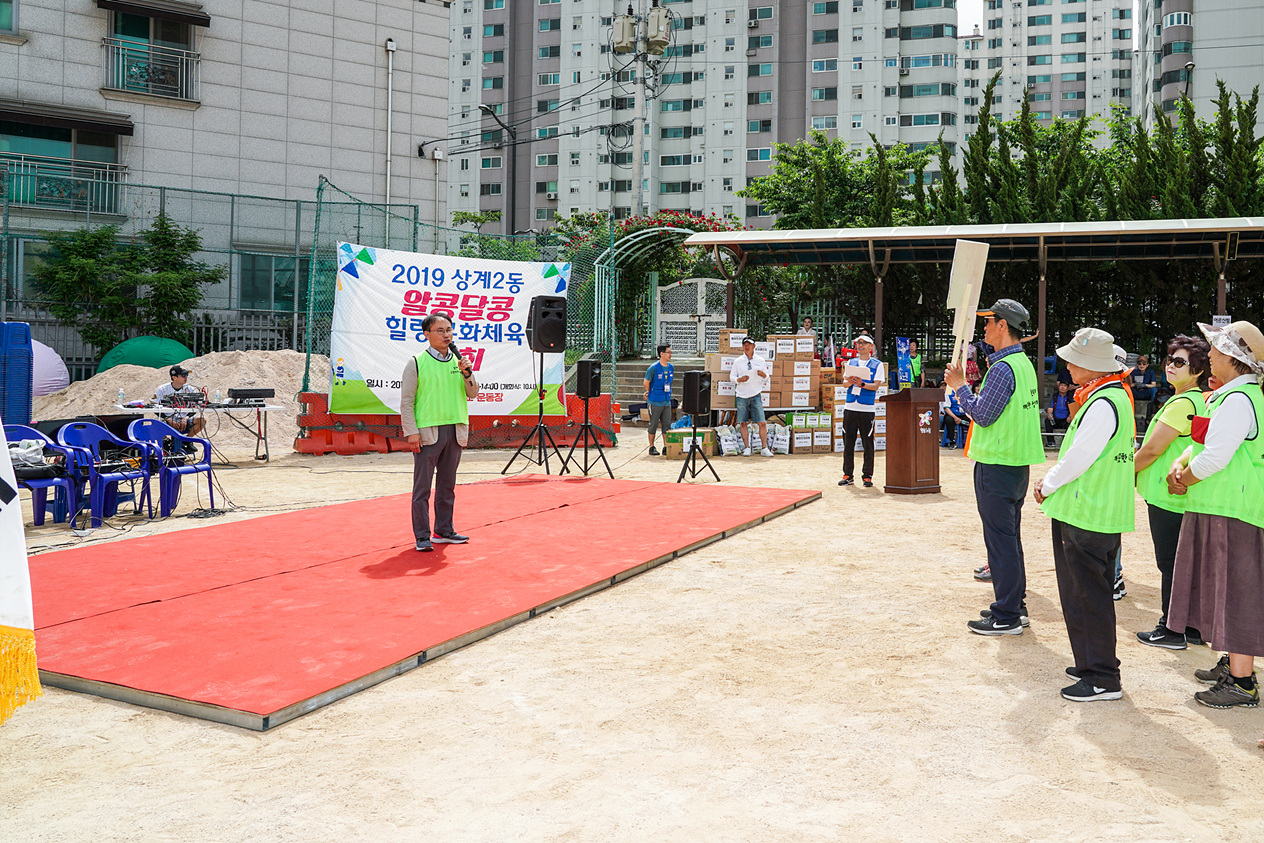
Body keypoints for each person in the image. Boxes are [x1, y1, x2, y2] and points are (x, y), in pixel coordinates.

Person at [1165, 320, 1264, 710]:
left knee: (1236, 589)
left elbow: (1216, 457)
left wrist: (1183, 478)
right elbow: (1205, 444)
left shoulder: (1240, 400)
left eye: (1218, 350)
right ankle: (1234, 665)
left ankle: (1242, 682)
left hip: (1231, 508)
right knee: (1224, 586)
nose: (1212, 355)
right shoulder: (1232, 396)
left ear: (1233, 358)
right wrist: (1182, 463)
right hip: (1222, 506)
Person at [1034, 328, 1135, 701]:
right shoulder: (1110, 397)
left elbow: (1079, 457)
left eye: (1073, 359)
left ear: (1090, 365)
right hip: (1098, 511)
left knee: (1085, 595)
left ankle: (1101, 677)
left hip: (1086, 512)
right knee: (1089, 592)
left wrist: (1048, 483)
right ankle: (1094, 661)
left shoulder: (1101, 402)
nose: (1067, 365)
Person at [944, 299, 1045, 634]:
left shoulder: (1002, 369)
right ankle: (1013, 605)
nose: (984, 327)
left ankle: (1007, 615)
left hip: (998, 465)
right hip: (1014, 465)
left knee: (1001, 542)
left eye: (989, 321)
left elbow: (982, 415)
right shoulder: (1022, 364)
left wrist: (959, 386)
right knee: (1008, 539)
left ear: (1003, 326)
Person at [1133, 335, 1210, 650]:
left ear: (1197, 370)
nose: (1171, 366)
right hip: (1179, 495)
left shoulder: (1182, 402)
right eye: (1169, 359)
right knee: (1181, 563)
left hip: (1168, 497)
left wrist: (1124, 474)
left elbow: (1151, 450)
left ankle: (1171, 628)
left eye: (1180, 362)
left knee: (1170, 562)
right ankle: (1190, 627)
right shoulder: (1197, 400)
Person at [400, 313, 479, 553]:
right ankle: (422, 536)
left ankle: (444, 530)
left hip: (455, 429)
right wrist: (411, 432)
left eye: (449, 330)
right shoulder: (416, 362)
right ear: (427, 334)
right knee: (422, 487)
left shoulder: (458, 362)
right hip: (428, 432)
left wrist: (467, 372)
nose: (447, 335)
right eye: (440, 330)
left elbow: (473, 393)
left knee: (447, 486)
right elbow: (406, 401)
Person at [838, 334, 885, 488]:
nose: (861, 345)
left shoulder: (877, 365)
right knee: (848, 443)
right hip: (850, 407)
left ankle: (867, 475)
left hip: (866, 408)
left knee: (868, 443)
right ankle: (847, 474)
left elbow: (876, 386)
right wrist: (850, 381)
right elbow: (844, 384)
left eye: (864, 343)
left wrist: (862, 384)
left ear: (871, 346)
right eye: (858, 343)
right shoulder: (851, 362)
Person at [730, 336, 773, 457]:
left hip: (756, 393)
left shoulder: (760, 360)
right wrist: (739, 379)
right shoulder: (738, 361)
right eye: (745, 345)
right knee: (743, 422)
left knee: (762, 422)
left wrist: (763, 374)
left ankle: (764, 448)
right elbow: (731, 377)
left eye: (749, 344)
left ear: (754, 346)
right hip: (742, 395)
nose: (747, 346)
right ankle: (747, 447)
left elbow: (767, 377)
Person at [154, 365, 206, 437]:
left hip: (185, 420)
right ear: (174, 377)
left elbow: (196, 405)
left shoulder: (190, 389)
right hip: (167, 419)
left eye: (187, 374)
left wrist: (186, 417)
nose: (186, 377)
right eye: (183, 375)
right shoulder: (162, 389)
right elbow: (154, 405)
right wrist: (168, 419)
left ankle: (187, 441)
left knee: (201, 420)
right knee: (156, 422)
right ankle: (165, 442)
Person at [642, 344, 673, 455]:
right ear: (662, 354)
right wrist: (649, 391)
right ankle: (652, 447)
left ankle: (666, 446)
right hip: (655, 401)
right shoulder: (653, 368)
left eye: (670, 352)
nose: (670, 354)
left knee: (666, 425)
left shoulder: (670, 367)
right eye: (668, 352)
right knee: (653, 424)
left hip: (666, 401)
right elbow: (646, 382)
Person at [1044, 380, 1072, 447]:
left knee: (1072, 422)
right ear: (1058, 387)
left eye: (1064, 386)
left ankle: (1067, 443)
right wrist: (1049, 414)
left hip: (1066, 420)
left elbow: (1073, 409)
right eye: (1061, 385)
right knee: (1047, 421)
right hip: (1056, 419)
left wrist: (1070, 416)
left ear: (1068, 388)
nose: (1062, 387)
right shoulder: (1054, 396)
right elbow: (1050, 408)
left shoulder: (1070, 397)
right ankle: (1051, 442)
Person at [940, 379, 966, 448]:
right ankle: (952, 441)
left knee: (972, 421)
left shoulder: (964, 392)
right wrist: (956, 418)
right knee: (949, 420)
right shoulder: (948, 393)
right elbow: (946, 408)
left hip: (963, 414)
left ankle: (969, 442)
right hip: (952, 414)